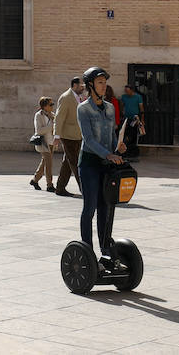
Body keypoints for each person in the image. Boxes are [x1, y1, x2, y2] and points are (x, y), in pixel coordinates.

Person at [77, 66, 127, 262]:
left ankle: (105, 249)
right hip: (89, 163)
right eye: (100, 82)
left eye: (105, 82)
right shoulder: (83, 109)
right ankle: (87, 251)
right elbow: (88, 139)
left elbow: (111, 135)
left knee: (105, 208)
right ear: (90, 85)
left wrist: (118, 148)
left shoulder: (110, 107)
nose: (104, 85)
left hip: (106, 164)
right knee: (89, 207)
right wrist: (108, 155)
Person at [53, 76, 86, 196]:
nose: (83, 88)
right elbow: (59, 117)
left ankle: (60, 188)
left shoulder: (79, 98)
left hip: (77, 135)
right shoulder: (66, 97)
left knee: (67, 163)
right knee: (76, 162)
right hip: (68, 136)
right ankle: (85, 189)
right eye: (82, 86)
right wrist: (57, 136)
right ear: (75, 85)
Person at [31, 96, 56, 191]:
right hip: (43, 143)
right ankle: (49, 185)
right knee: (48, 164)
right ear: (44, 106)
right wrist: (51, 126)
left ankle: (35, 180)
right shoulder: (39, 115)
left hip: (51, 143)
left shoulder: (53, 115)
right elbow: (39, 130)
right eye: (50, 104)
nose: (52, 106)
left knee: (44, 163)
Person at [119, 83, 146, 159]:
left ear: (132, 90)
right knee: (126, 135)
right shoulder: (124, 97)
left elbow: (141, 109)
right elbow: (122, 106)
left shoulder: (138, 97)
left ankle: (133, 152)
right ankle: (126, 151)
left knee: (133, 135)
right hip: (126, 119)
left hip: (135, 119)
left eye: (128, 91)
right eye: (125, 91)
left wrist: (142, 119)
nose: (126, 92)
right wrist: (122, 114)